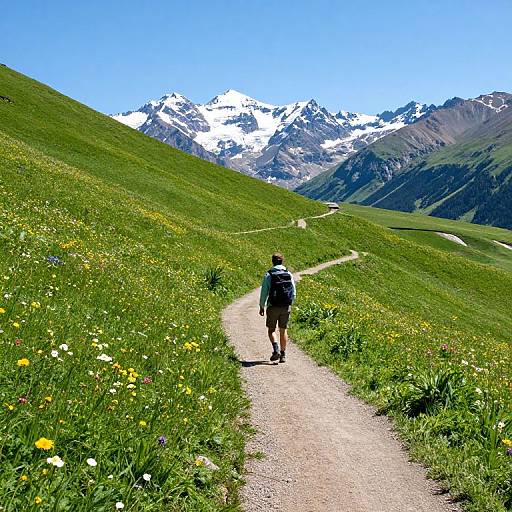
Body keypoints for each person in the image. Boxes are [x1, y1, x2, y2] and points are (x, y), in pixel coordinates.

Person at [259, 252, 296, 363]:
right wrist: (290, 303)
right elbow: (293, 292)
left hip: (273, 306)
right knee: (283, 330)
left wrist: (262, 306)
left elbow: (264, 293)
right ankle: (283, 355)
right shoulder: (288, 273)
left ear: (273, 261)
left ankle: (276, 349)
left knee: (271, 330)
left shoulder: (269, 275)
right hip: (286, 306)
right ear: (282, 261)